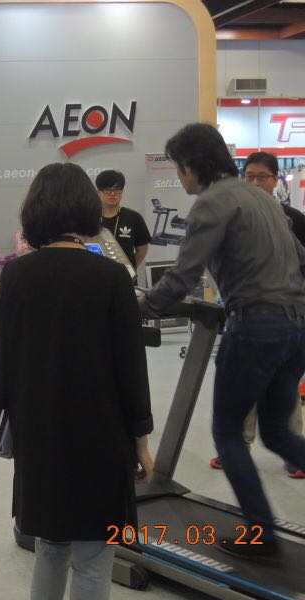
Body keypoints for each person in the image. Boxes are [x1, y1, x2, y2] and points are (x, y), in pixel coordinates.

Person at [140, 123, 305, 559]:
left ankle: (262, 536)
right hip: (296, 327)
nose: (180, 178)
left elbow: (182, 276)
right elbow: (301, 260)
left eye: (179, 168)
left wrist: (139, 307)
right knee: (276, 432)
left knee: (228, 432)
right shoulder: (264, 200)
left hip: (255, 327)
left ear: (191, 165)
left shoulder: (212, 203)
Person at [0, 162, 154, 600]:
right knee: (94, 557)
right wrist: (140, 438)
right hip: (101, 433)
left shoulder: (16, 275)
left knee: (49, 547)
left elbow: (3, 359)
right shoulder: (112, 278)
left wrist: (3, 424)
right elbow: (130, 367)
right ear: (87, 209)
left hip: (39, 432)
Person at [208, 151, 305, 478]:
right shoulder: (234, 217)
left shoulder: (294, 219)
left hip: (288, 315)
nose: (254, 182)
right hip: (245, 312)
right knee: (241, 383)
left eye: (262, 177)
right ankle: (236, 447)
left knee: (285, 386)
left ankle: (294, 454)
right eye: (248, 176)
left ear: (276, 180)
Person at [96, 170, 151, 270]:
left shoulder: (134, 217)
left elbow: (142, 249)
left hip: (125, 275)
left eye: (117, 189)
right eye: (108, 189)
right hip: (96, 273)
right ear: (98, 192)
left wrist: (130, 269)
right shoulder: (90, 217)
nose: (113, 193)